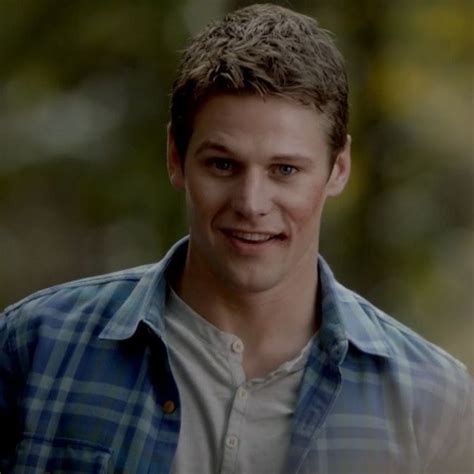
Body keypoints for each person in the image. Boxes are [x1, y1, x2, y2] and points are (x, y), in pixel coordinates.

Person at [0, 4, 472, 473]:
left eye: (285, 170)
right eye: (222, 165)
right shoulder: (35, 347)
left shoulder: (432, 400)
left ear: (338, 169)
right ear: (175, 157)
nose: (251, 202)